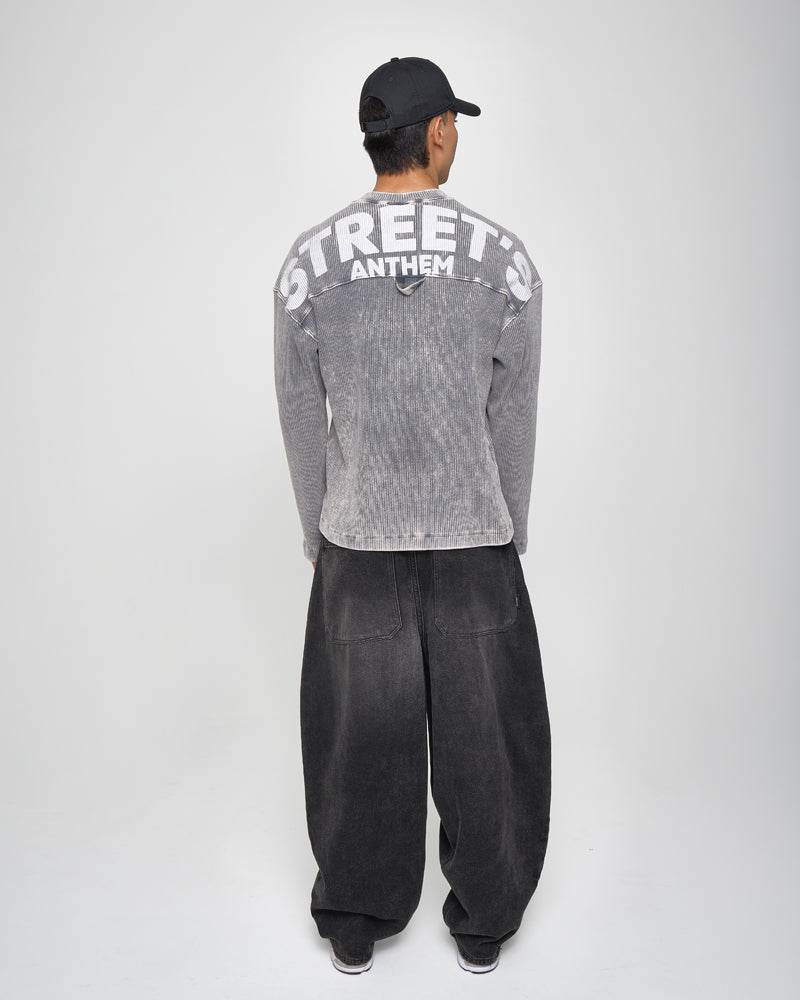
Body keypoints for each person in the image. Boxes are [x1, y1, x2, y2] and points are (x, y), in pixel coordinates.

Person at [273, 56, 550, 976]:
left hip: (359, 535)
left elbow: (298, 407)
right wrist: (509, 527)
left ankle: (356, 921)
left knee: (360, 739)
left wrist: (320, 528)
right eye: (453, 124)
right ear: (435, 132)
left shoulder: (308, 263)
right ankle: (484, 924)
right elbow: (513, 411)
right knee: (489, 745)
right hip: (474, 533)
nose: (455, 135)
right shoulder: (505, 260)